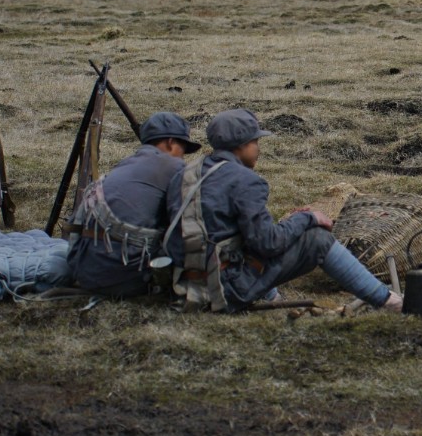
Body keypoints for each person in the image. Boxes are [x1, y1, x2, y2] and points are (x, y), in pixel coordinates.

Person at [165, 109, 402, 312]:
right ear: (241, 145)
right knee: (317, 240)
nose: (258, 148)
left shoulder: (185, 173)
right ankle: (387, 301)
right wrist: (308, 218)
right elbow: (268, 244)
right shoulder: (246, 181)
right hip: (222, 291)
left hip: (181, 286)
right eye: (255, 142)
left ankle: (272, 298)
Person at [67, 111, 200, 298]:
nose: (183, 156)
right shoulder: (175, 168)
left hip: (83, 271)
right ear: (170, 142)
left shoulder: (126, 164)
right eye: (183, 148)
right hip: (121, 278)